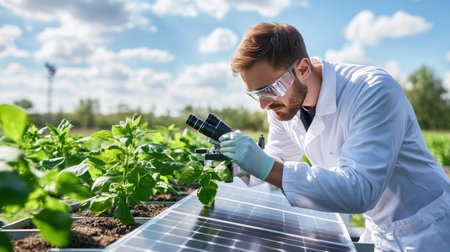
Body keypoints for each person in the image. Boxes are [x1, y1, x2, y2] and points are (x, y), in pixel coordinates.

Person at [219, 22, 450, 251]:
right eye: (255, 94)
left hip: (428, 229)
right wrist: (240, 165)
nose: (263, 104)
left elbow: (361, 189)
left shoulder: (373, 90)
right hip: (381, 230)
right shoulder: (283, 105)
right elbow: (277, 158)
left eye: (270, 89)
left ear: (303, 69)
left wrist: (266, 166)